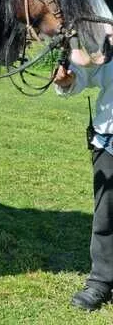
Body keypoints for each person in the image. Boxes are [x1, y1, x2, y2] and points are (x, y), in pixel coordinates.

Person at [55, 59, 113, 311]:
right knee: (106, 217)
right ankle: (101, 281)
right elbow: (86, 71)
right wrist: (69, 79)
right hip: (110, 139)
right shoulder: (108, 40)